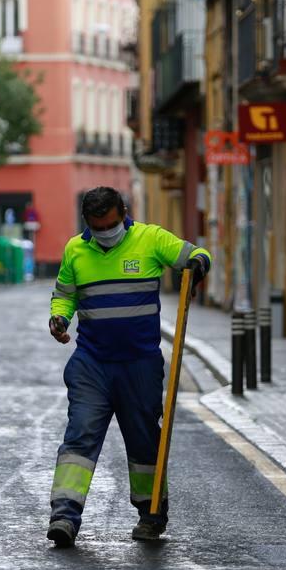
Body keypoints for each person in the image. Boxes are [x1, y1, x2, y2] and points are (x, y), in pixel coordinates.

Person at [45, 187, 211, 547]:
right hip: (92, 363)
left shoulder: (150, 239)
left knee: (144, 442)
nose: (106, 232)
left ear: (124, 213)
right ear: (87, 222)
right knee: (80, 436)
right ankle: (64, 516)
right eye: (98, 226)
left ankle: (151, 515)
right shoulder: (76, 249)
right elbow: (65, 293)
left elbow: (195, 253)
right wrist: (59, 319)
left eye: (111, 224)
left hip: (140, 364)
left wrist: (197, 265)